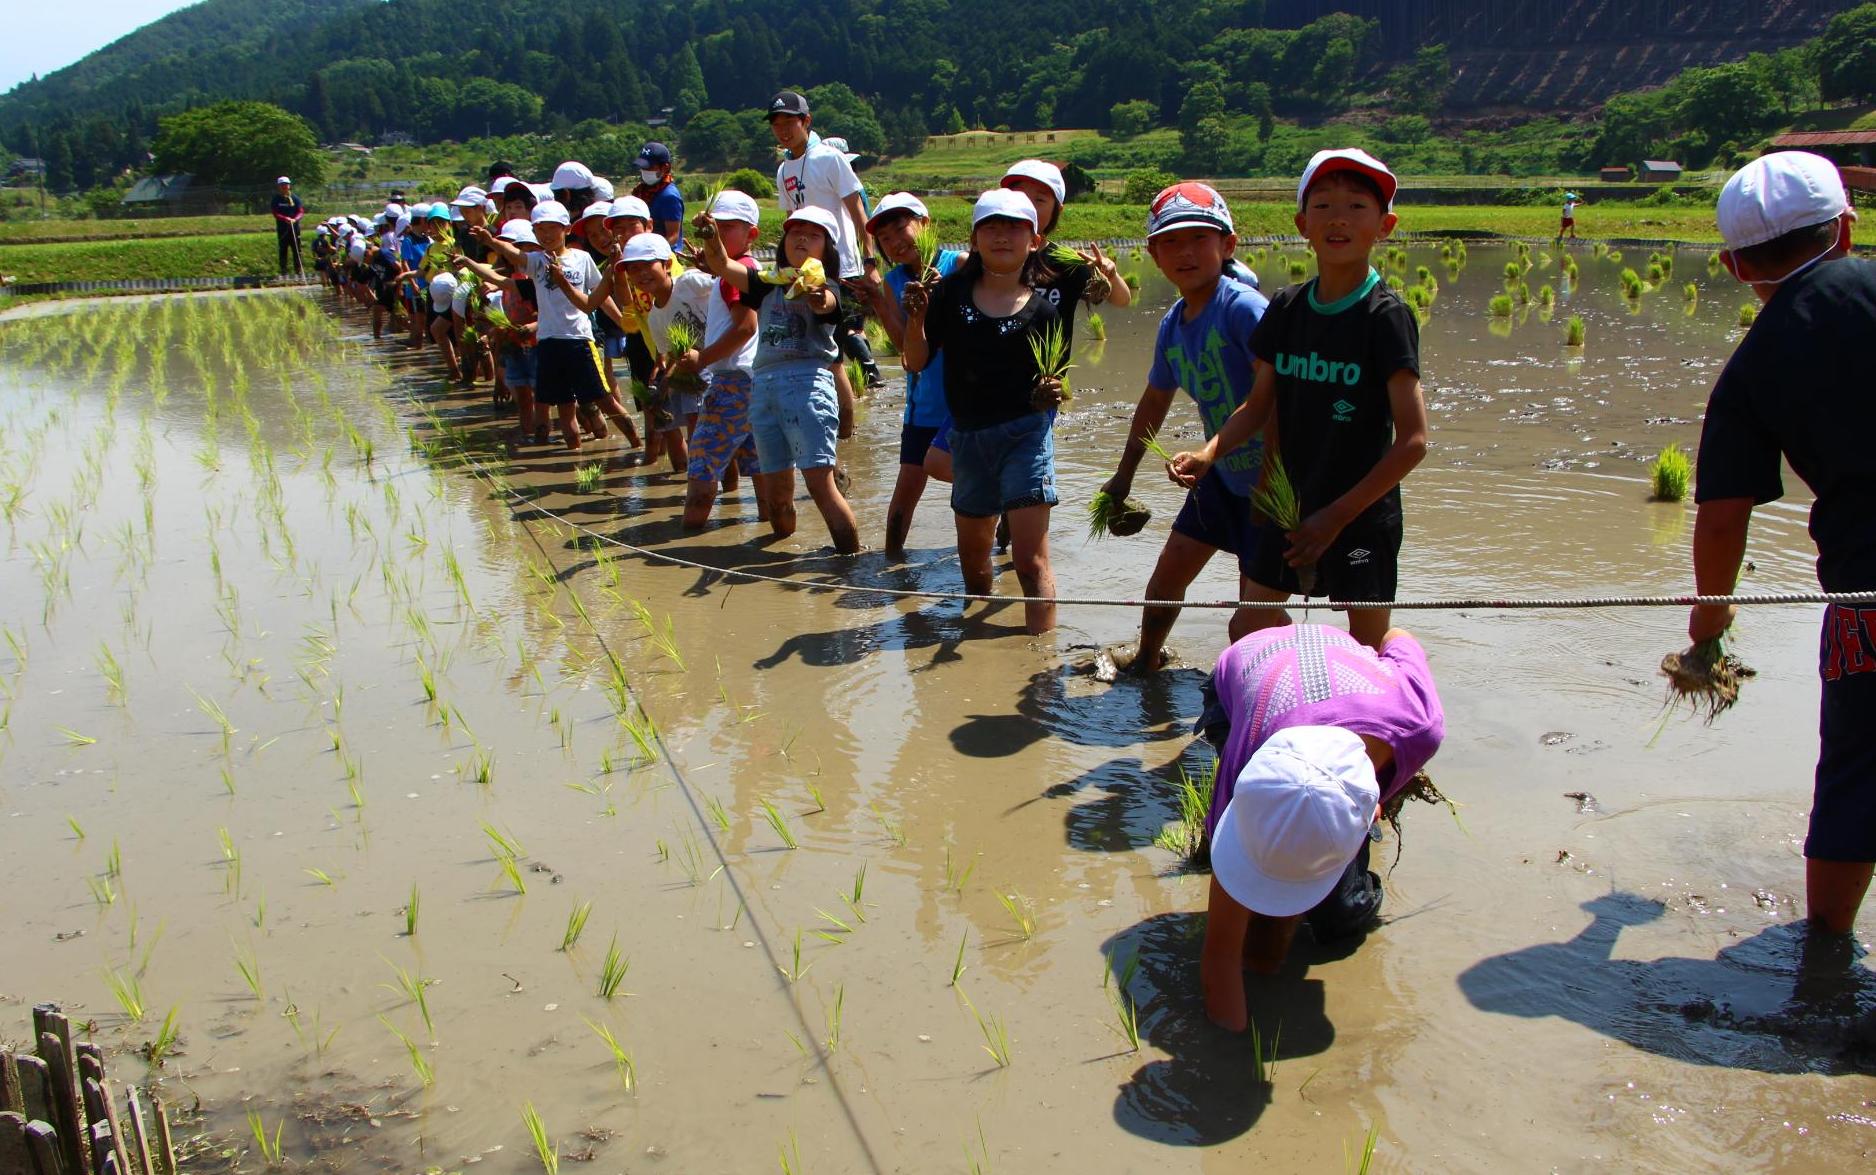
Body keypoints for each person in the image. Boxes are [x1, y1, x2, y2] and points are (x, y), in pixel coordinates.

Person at [1688, 151, 1874, 941]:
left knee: (1856, 776)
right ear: (1845, 227)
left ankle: (1827, 947)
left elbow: (1724, 517)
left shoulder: (1753, 363)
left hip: (1869, 594)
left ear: (1732, 266)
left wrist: (1707, 632)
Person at [1170, 148, 1429, 650]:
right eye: (1323, 206)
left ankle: (1389, 706)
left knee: (1369, 646)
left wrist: (1336, 516)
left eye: (1357, 207)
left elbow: (1414, 441)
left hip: (1358, 514)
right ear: (1302, 223)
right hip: (1285, 505)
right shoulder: (1287, 308)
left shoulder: (1385, 317)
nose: (1338, 219)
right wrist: (1210, 451)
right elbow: (1257, 406)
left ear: (1386, 225)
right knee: (1250, 629)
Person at [1196, 623, 1445, 1031]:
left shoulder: (1419, 721)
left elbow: (1396, 635)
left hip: (1341, 667)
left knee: (1340, 919)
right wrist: (1230, 1059)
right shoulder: (1248, 773)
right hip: (1247, 670)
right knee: (1258, 950)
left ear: (1370, 815)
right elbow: (1220, 957)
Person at [1100, 183, 1269, 675]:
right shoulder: (1174, 323)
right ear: (1154, 254)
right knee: (1166, 579)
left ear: (1228, 245)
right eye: (1171, 242)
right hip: (1221, 477)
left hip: (1271, 481)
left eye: (1200, 238)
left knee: (1251, 617)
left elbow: (1272, 396)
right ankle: (1147, 662)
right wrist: (1124, 476)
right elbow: (1154, 400)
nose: (1186, 252)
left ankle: (1246, 698)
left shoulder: (1242, 308)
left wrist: (1209, 451)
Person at [901, 189, 1065, 635]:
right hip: (968, 440)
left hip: (1025, 437)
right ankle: (980, 643)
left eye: (1015, 227)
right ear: (974, 239)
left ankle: (1039, 673)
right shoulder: (949, 294)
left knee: (1031, 563)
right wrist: (915, 319)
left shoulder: (1046, 311)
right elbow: (915, 362)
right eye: (991, 227)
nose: (1002, 236)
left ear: (1034, 240)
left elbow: (1055, 382)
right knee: (974, 566)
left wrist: (1053, 390)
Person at [698, 205, 861, 553]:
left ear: (827, 248)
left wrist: (816, 293)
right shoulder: (766, 284)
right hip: (764, 388)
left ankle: (850, 563)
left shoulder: (828, 286)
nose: (801, 237)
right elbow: (722, 266)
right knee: (777, 498)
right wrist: (712, 237)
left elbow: (825, 302)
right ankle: (783, 559)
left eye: (813, 234)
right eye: (795, 231)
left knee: (820, 486)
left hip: (806, 385)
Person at [854, 192, 964, 557]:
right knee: (907, 488)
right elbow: (904, 347)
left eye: (901, 229)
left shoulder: (960, 266)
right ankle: (890, 559)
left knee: (975, 484)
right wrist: (880, 303)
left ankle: (999, 549)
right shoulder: (894, 281)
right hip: (924, 406)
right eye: (884, 238)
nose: (895, 242)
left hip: (967, 404)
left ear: (925, 224)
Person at [769, 88, 879, 430]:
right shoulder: (783, 169)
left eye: (790, 122)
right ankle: (825, 423)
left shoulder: (830, 159)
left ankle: (846, 429)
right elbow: (791, 221)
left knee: (834, 352)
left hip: (841, 267)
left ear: (806, 121)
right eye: (777, 124)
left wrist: (870, 261)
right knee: (810, 349)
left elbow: (857, 209)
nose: (783, 129)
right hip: (805, 273)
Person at [471, 200, 615, 452]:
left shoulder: (568, 263)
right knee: (550, 402)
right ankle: (547, 448)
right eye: (539, 231)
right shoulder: (529, 275)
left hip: (577, 340)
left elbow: (598, 296)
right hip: (543, 346)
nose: (522, 251)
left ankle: (609, 440)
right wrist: (481, 251)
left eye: (527, 246)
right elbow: (499, 277)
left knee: (591, 401)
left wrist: (622, 320)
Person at [675, 190, 762, 527]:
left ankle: (687, 539)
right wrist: (712, 265)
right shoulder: (746, 270)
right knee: (760, 465)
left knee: (701, 463)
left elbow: (745, 328)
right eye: (713, 229)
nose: (717, 236)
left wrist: (702, 357)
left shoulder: (736, 273)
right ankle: (772, 536)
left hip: (731, 382)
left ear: (751, 234)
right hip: (754, 381)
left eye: (726, 229)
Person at [622, 230, 715, 474]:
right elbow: (672, 356)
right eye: (633, 269)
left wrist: (711, 267)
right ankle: (704, 487)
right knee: (699, 436)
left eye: (647, 265)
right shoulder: (655, 317)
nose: (641, 274)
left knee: (706, 439)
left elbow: (726, 288)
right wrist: (662, 388)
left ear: (666, 264)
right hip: (693, 370)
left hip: (720, 363)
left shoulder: (690, 282)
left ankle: (720, 491)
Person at [633, 143, 685, 249]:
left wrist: (649, 251)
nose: (644, 171)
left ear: (665, 167)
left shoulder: (669, 197)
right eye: (642, 167)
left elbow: (672, 236)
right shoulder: (642, 190)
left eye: (649, 167)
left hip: (664, 256)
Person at [272, 176, 306, 276]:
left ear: (289, 185)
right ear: (279, 186)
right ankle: (284, 270)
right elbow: (275, 213)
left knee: (297, 249)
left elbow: (301, 211)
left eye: (286, 184)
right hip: (283, 229)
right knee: (283, 249)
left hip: (294, 228)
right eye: (282, 185)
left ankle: (298, 270)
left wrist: (295, 219)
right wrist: (285, 218)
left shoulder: (295, 198)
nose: (284, 186)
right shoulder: (276, 199)